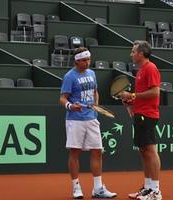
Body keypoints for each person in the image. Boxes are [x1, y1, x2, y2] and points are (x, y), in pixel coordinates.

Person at [59, 47, 117, 199]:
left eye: (88, 59)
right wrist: (71, 106)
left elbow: (95, 91)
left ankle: (98, 188)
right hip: (75, 120)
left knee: (97, 151)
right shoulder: (69, 77)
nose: (87, 62)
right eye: (84, 60)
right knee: (74, 152)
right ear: (77, 61)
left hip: (91, 118)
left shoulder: (92, 73)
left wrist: (96, 104)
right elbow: (63, 98)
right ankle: (76, 187)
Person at [121, 41, 162, 200]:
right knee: (143, 151)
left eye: (133, 51)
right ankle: (147, 187)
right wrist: (130, 102)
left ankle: (156, 191)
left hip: (148, 115)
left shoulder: (150, 68)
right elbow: (141, 96)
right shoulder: (140, 71)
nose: (131, 54)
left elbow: (155, 93)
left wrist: (132, 96)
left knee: (150, 151)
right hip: (140, 113)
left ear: (141, 53)